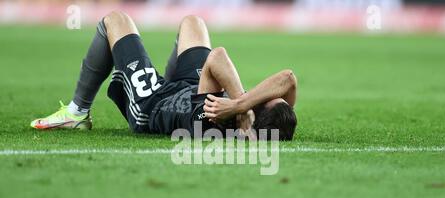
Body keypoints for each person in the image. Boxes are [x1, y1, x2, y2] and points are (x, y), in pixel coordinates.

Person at [30, 12, 298, 140]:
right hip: (192, 87)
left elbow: (217, 56)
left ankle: (77, 113)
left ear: (251, 114)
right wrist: (244, 105)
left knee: (114, 20)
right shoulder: (262, 120)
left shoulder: (216, 117)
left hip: (153, 104)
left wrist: (240, 104)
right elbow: (289, 79)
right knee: (193, 23)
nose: (263, 96)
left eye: (263, 100)